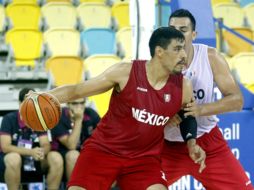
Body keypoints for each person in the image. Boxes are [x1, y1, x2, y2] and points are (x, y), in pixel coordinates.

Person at [28, 27, 206, 190]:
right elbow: (77, 90)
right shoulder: (126, 72)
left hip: (143, 159)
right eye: (177, 49)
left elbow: (187, 115)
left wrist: (191, 143)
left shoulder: (184, 86)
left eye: (184, 48)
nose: (184, 54)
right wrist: (44, 96)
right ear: (159, 51)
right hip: (103, 151)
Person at [162, 9, 254, 190]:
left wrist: (200, 110)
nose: (176, 34)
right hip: (167, 145)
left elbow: (237, 101)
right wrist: (164, 118)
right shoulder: (156, 61)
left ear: (194, 34)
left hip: (206, 141)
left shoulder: (210, 57)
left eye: (183, 29)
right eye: (172, 28)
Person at [0, 88, 63, 190]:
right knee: (14, 158)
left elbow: (45, 144)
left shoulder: (39, 119)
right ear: (20, 104)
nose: (29, 107)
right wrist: (30, 152)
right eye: (26, 103)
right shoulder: (8, 119)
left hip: (33, 159)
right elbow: (5, 147)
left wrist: (41, 152)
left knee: (56, 157)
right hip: (13, 160)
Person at [50, 97, 100, 181]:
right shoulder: (58, 116)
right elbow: (71, 146)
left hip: (85, 151)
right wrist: (78, 120)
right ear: (68, 104)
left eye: (82, 103)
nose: (79, 107)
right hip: (62, 153)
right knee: (73, 155)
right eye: (75, 103)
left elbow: (105, 134)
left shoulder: (90, 113)